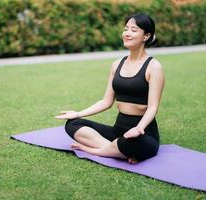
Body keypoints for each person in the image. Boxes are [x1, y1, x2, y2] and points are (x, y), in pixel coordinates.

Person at [55, 13, 165, 164]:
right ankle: (117, 150)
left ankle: (96, 150)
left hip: (143, 133)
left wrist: (139, 128)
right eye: (126, 29)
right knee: (73, 124)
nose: (127, 33)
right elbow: (106, 101)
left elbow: (153, 107)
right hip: (118, 130)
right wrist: (78, 113)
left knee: (134, 142)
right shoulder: (117, 64)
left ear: (146, 36)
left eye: (133, 30)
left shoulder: (154, 67)